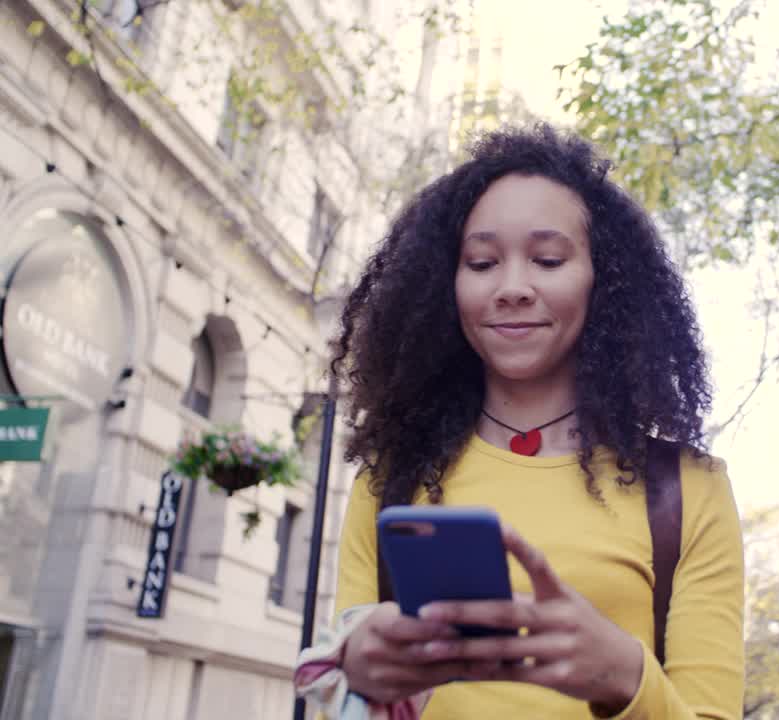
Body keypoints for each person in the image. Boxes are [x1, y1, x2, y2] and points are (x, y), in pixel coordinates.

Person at [295, 124, 745, 720]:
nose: (511, 288)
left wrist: (625, 677)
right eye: (481, 262)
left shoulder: (688, 491)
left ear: (602, 281)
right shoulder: (389, 483)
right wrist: (359, 678)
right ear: (446, 286)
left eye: (548, 259)